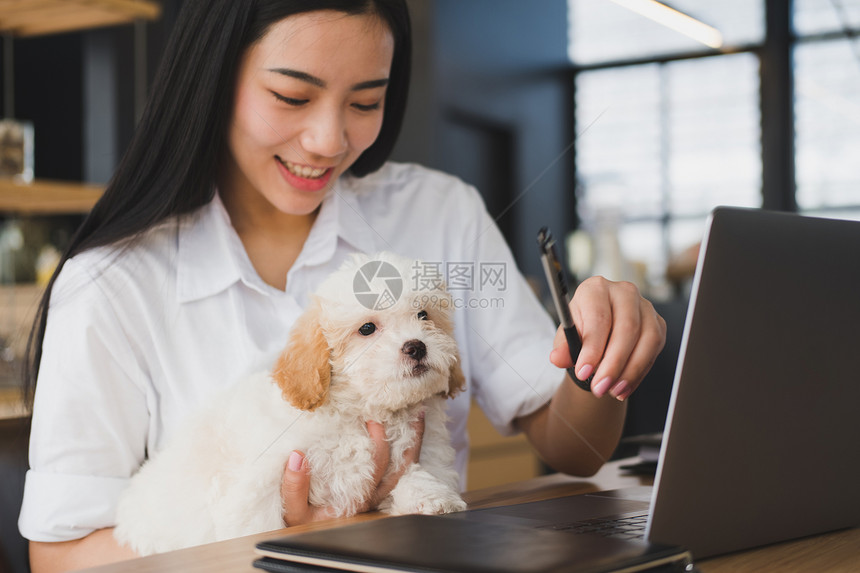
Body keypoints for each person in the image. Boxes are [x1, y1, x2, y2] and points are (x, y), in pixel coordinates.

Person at [19, 1, 666, 571]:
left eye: (366, 102)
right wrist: (282, 552)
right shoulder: (111, 284)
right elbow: (62, 555)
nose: (330, 140)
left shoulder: (440, 213)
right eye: (292, 97)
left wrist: (599, 359)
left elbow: (577, 448)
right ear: (216, 80)